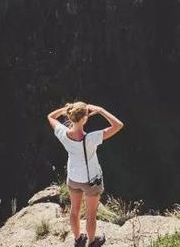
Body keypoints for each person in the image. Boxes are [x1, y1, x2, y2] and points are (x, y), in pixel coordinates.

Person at [47, 101, 124, 247]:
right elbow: (118, 125)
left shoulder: (62, 133)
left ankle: (78, 239)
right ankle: (92, 241)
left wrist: (67, 109)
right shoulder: (91, 138)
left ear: (71, 116)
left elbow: (51, 116)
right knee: (90, 215)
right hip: (90, 181)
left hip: (73, 178)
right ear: (84, 119)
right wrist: (101, 110)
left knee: (74, 211)